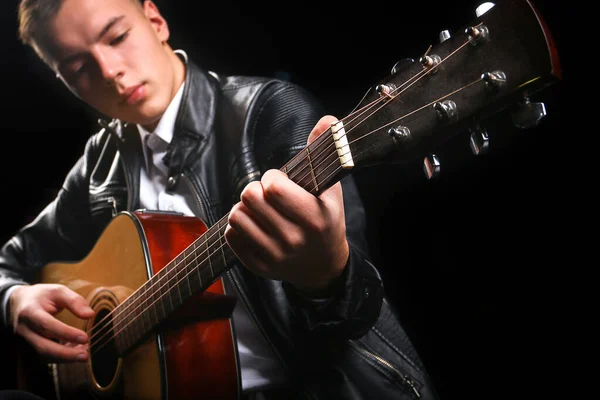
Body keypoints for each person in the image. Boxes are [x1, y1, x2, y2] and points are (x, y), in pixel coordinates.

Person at [0, 0, 439, 399]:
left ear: (155, 20)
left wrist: (327, 276)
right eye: (78, 69)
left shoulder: (270, 112)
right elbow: (11, 261)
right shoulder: (101, 164)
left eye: (117, 37)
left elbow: (359, 317)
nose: (109, 69)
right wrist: (14, 299)